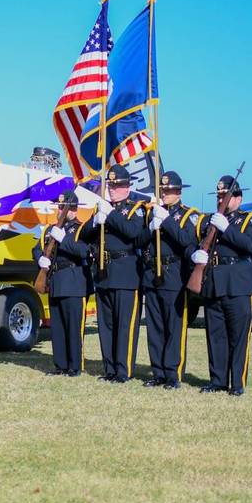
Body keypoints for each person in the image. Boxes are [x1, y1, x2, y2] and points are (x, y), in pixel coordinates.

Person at [191, 175, 252, 396]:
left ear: (238, 198)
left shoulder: (250, 219)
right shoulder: (210, 221)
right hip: (214, 282)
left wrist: (226, 229)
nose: (222, 199)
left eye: (227, 196)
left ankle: (237, 384)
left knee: (238, 336)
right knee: (216, 335)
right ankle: (217, 380)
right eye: (220, 196)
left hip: (238, 285)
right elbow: (198, 243)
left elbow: (250, 245)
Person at [80, 164, 147, 383]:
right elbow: (83, 236)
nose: (112, 189)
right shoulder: (102, 208)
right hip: (104, 272)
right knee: (106, 325)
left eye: (117, 185)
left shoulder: (136, 208)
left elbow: (133, 232)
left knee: (125, 325)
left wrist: (110, 216)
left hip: (126, 271)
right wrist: (94, 221)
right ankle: (109, 369)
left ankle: (123, 370)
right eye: (110, 185)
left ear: (127, 187)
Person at [137, 171, 200, 389]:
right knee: (155, 327)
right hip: (152, 274)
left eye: (169, 191)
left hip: (174, 274)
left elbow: (186, 240)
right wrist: (151, 227)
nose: (165, 194)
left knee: (174, 326)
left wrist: (167, 222)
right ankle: (158, 372)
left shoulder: (188, 215)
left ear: (179, 192)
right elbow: (139, 241)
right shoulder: (153, 213)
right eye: (163, 190)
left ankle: (173, 374)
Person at [32, 190, 92, 377]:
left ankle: (74, 366)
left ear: (74, 209)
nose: (61, 211)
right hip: (56, 282)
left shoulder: (81, 229)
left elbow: (84, 251)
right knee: (57, 328)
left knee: (73, 327)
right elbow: (36, 248)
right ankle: (61, 365)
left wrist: (63, 239)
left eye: (64, 207)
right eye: (59, 207)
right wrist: (40, 260)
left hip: (74, 281)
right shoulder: (50, 230)